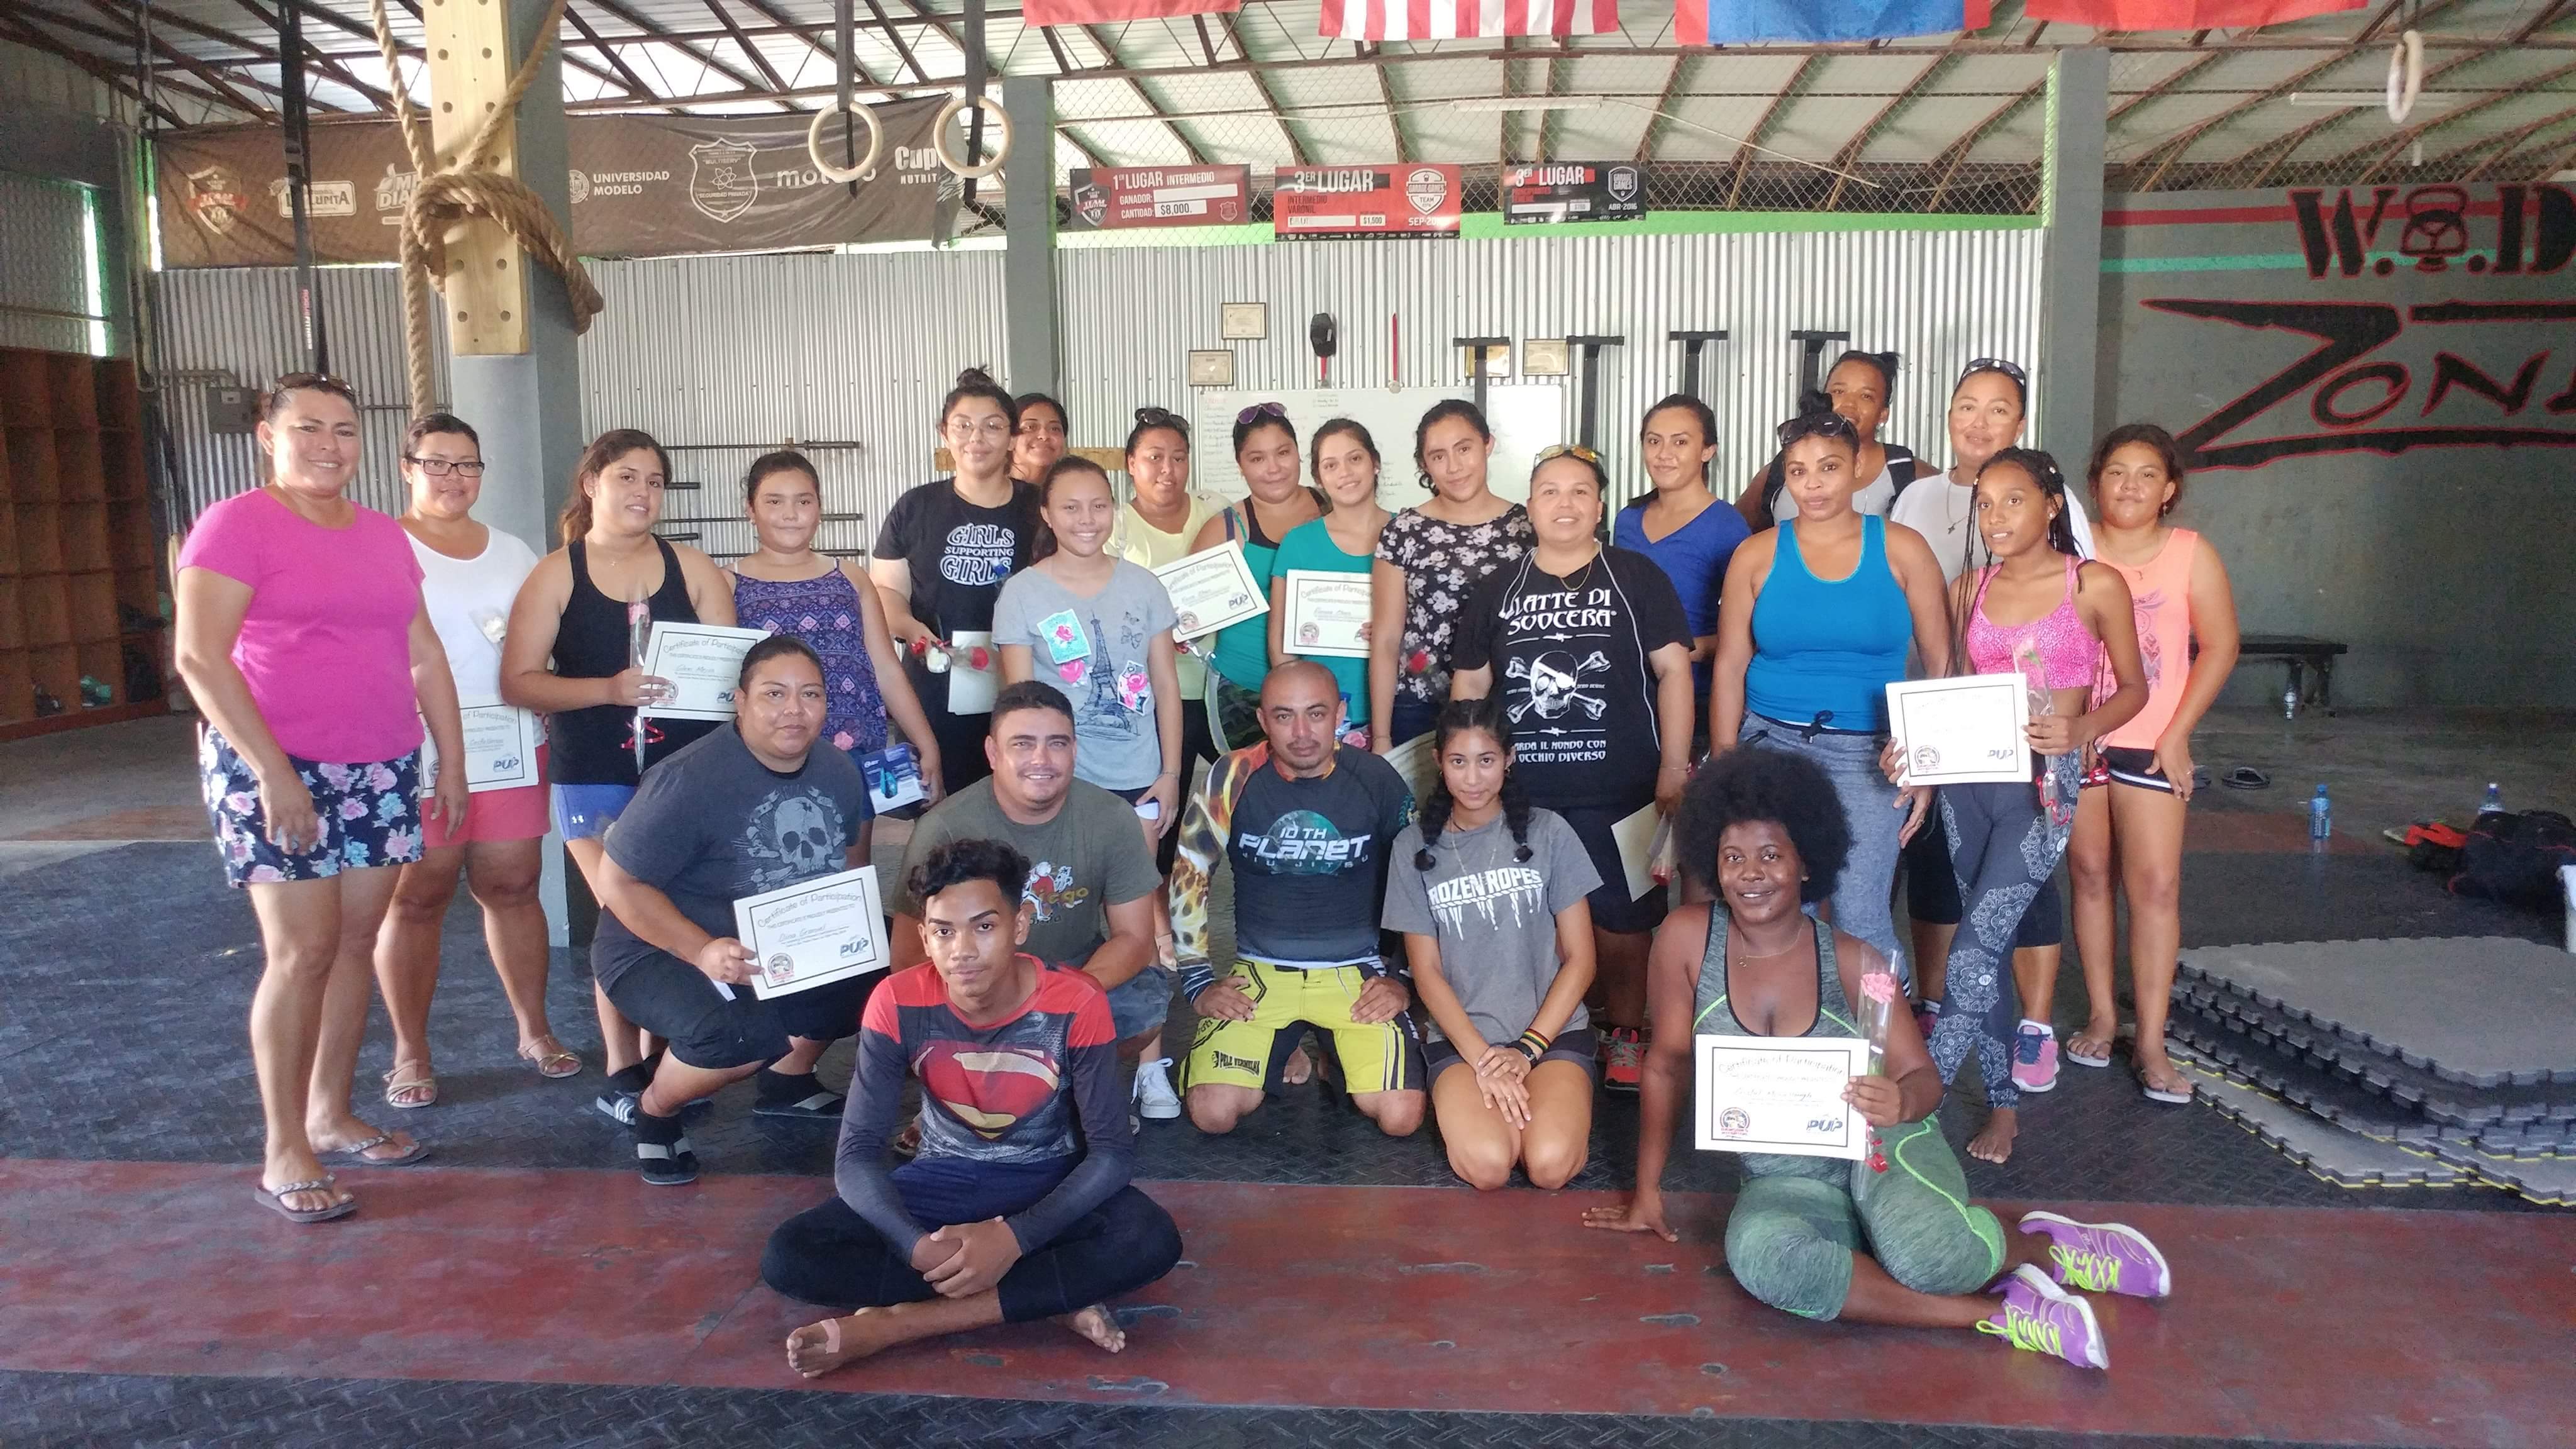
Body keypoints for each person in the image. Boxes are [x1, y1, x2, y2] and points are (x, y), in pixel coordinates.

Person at [1583, 748, 2172, 1372]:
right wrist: (1646, 1191)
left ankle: (2047, 1248)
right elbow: (1666, 1064)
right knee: (1759, 1257)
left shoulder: (1856, 963)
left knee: (1930, 1258)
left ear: (1806, 862)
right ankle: (2001, 1315)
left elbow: (1924, 1081)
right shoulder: (1686, 939)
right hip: (1786, 1179)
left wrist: (1900, 1100)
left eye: (1771, 856)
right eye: (1733, 858)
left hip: (1879, 1146)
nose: (1751, 874)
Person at [174, 373, 468, 1223]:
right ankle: (284, 1149)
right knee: (301, 952)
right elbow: (200, 657)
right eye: (308, 428)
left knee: (354, 942)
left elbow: (422, 653)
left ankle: (330, 1114)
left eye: (344, 429)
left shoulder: (380, 534)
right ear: (268, 436)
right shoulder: (236, 524)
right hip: (275, 766)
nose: (328, 446)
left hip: (381, 765)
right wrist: (273, 772)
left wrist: (450, 761)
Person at [763, 838, 1184, 1377]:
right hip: (941, 1180)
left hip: (1047, 1181)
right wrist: (914, 1246)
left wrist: (1015, 1238)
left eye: (984, 926)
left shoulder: (1076, 1000)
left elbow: (1111, 1155)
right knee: (791, 1254)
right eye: (943, 931)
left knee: (1149, 1240)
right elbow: (858, 1155)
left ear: (1020, 926)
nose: (962, 949)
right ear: (924, 937)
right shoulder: (896, 1001)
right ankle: (1044, 1296)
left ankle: (895, 1325)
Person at [1904, 447, 2146, 1163]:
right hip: (1968, 785)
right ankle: (2003, 1107)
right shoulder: (1966, 589)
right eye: (1984, 504)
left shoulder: (2093, 584)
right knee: (1987, 947)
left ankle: (1917, 1105)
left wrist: (2082, 728)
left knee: (1973, 950)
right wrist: (1914, 756)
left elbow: (2134, 687)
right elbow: (1948, 689)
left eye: (2013, 500)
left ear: (2051, 504)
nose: (1996, 516)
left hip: (2043, 788)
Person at [586, 636, 876, 1184]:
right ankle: (655, 1111)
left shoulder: (839, 770)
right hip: (654, 948)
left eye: (810, 694)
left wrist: (850, 946)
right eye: (774, 694)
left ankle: (788, 1079)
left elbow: (848, 873)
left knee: (886, 972)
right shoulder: (688, 778)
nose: (794, 709)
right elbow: (617, 883)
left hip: (773, 942)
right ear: (739, 701)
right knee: (738, 1037)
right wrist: (700, 950)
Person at [1450, 445, 1695, 1094]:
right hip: (1523, 792)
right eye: (1550, 492)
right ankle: (1550, 1032)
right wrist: (1467, 777)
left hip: (1625, 788)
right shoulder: (1497, 589)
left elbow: (1674, 672)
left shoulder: (1637, 577)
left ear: (1600, 506)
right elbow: (1470, 687)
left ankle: (1626, 1031)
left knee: (1624, 921)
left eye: (1580, 491)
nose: (1565, 504)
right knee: (1529, 919)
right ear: (1529, 507)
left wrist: (1674, 767)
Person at [501, 428, 736, 1091]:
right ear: (592, 484)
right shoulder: (556, 573)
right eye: (627, 477)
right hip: (593, 773)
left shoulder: (694, 570)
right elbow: (518, 681)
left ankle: (668, 1051)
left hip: (683, 777)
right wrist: (607, 690)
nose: (643, 492)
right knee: (625, 911)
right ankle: (621, 1063)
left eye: (654, 481)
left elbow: (731, 675)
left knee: (674, 908)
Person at [1707, 410, 1951, 982]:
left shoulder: (1903, 548)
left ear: (1859, 467)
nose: (1813, 484)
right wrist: (1724, 764)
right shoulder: (1756, 555)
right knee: (1777, 909)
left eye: (1829, 468)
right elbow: (1730, 664)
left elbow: (1941, 662)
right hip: (1769, 746)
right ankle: (1793, 1028)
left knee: (1860, 912)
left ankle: (1882, 1032)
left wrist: (1927, 762)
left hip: (1873, 753)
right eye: (1798, 471)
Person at [1890, 359, 2096, 1033]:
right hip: (1941, 713)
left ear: (2021, 422)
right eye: (1966, 406)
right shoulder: (1918, 497)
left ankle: (2033, 1023)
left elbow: (2081, 626)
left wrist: (2084, 726)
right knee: (1935, 865)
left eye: (1998, 409)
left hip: (2031, 738)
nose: (1979, 422)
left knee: (2021, 877)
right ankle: (1935, 1005)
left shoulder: (2055, 501)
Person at [372, 412, 570, 1112]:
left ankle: (535, 1030)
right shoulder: (380, 544)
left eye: (467, 464)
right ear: (408, 468)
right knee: (417, 896)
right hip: (415, 746)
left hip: (508, 742)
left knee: (513, 884)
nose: (453, 477)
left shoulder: (514, 552)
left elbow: (540, 640)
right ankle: (410, 1051)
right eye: (437, 463)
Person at [892, 680, 1176, 1119]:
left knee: (1143, 1006)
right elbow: (907, 958)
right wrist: (986, 1001)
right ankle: (960, 1098)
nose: (1041, 759)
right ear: (993, 753)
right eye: (1022, 744)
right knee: (908, 1013)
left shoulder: (1111, 817)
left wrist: (1061, 997)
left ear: (1075, 751)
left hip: (1072, 972)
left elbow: (1135, 938)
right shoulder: (946, 827)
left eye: (1056, 744)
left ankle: (1054, 1091)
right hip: (975, 980)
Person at [1169, 662, 1424, 1138]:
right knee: (1212, 1113)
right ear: (1263, 719)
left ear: (1340, 714)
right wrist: (1199, 982)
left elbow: (1417, 880)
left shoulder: (1375, 777)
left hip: (1355, 972)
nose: (1302, 733)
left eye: (1316, 714)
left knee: (1401, 1118)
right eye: (1284, 716)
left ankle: (1330, 1050)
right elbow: (1191, 873)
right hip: (1261, 971)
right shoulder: (1233, 774)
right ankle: (1283, 1047)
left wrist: (1401, 979)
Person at [2067, 425, 2238, 1104]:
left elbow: (2220, 645)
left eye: (2146, 474)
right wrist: (2071, 723)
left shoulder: (2190, 553)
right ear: (2094, 483)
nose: (2130, 485)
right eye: (2116, 471)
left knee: (2156, 888)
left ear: (2169, 489)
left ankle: (2151, 1041)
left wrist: (2178, 734)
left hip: (2153, 739)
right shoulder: (2071, 548)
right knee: (2088, 876)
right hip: (2082, 737)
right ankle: (2102, 1017)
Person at [1384, 696, 1597, 1189]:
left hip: (1550, 1036)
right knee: (1488, 1165)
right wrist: (1485, 1060)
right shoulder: (1411, 848)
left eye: (1486, 760)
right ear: (1438, 762)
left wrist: (1527, 1050)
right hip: (1464, 1044)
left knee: (1549, 1165)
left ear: (1509, 759)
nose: (1473, 778)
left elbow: (1581, 959)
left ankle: (1554, 1110)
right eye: (1458, 761)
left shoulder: (1550, 832)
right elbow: (1427, 972)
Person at [730, 448, 946, 857]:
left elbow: (886, 668)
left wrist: (926, 742)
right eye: (774, 501)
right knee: (778, 865)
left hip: (852, 753)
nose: (790, 514)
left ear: (820, 509)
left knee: (852, 868)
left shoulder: (850, 577)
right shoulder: (728, 583)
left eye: (803, 501)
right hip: (768, 757)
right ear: (750, 510)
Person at [871, 369, 1041, 801]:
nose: (976, 438)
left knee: (1021, 798)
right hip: (936, 682)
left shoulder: (1039, 508)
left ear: (1013, 437)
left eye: (993, 426)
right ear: (944, 433)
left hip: (1022, 676)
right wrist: (913, 629)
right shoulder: (915, 507)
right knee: (939, 805)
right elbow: (886, 593)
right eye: (963, 426)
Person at [995, 456, 1186, 837]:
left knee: (1135, 876)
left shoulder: (1145, 587)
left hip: (1139, 775)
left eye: (1099, 506)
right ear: (1047, 514)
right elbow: (1020, 704)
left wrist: (1171, 774)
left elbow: (1166, 686)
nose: (1087, 520)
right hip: (1057, 777)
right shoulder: (1021, 593)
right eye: (1071, 508)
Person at [1369, 401, 1534, 752]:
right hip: (1419, 704)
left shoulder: (1528, 528)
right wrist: (1382, 737)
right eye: (1438, 456)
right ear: (1424, 464)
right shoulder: (1403, 532)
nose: (1454, 466)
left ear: (1488, 444)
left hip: (1505, 704)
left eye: (1464, 449)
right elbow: (1386, 639)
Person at [1107, 408, 1225, 877]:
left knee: (1246, 798)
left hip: (1219, 690)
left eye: (1179, 457)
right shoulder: (1116, 527)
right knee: (1158, 816)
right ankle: (1155, 917)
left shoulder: (1216, 511)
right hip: (1152, 699)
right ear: (1131, 464)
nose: (1168, 470)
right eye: (1154, 457)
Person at [1615, 394, 1748, 736]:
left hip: (1697, 700)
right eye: (1654, 441)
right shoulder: (1627, 519)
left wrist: (1677, 651)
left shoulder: (1727, 526)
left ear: (1708, 450)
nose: (1664, 454)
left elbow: (1750, 633)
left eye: (1680, 442)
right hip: (1629, 694)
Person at [1195, 403, 1324, 750]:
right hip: (1244, 692)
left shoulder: (1334, 509)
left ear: (1298, 452)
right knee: (1251, 783)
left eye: (1283, 453)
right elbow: (1190, 619)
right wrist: (1182, 626)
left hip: (1327, 691)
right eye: (1257, 458)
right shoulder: (1225, 528)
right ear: (1240, 465)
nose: (1274, 468)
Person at [1270, 419, 1389, 747]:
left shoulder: (1409, 534)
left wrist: (1393, 630)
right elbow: (1281, 648)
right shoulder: (1298, 543)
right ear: (1319, 478)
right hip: (1319, 723)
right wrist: (1302, 717)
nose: (1345, 473)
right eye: (1331, 465)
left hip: (1398, 713)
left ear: (1375, 463)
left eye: (1355, 459)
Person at [1738, 351, 1921, 529]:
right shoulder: (1781, 468)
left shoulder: (1905, 471)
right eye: (1839, 391)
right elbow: (1734, 533)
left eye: (1866, 396)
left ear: (1883, 414)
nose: (1849, 404)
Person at [1010, 391, 1069, 489]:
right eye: (1030, 427)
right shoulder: (990, 493)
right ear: (1009, 438)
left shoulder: (1073, 492)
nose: (1044, 436)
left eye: (1054, 429)